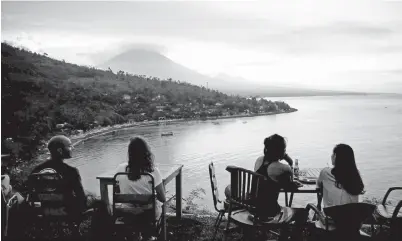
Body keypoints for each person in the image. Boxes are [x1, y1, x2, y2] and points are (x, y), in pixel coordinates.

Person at [113, 137, 166, 239]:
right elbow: (162, 198)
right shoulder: (153, 171)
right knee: (159, 206)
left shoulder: (120, 169)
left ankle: (137, 235)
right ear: (146, 152)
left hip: (127, 213)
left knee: (134, 211)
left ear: (130, 152)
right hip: (147, 215)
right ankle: (150, 236)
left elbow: (117, 192)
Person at [31, 135, 87, 215]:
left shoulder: (37, 170)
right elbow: (81, 197)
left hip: (45, 211)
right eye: (69, 146)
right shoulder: (71, 171)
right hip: (67, 211)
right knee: (99, 203)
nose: (72, 148)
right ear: (60, 150)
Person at [315, 144, 365, 229]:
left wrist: (319, 204)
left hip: (331, 224)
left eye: (333, 154)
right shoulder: (355, 175)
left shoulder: (325, 173)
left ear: (335, 157)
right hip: (353, 225)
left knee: (314, 216)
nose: (331, 156)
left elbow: (319, 187)